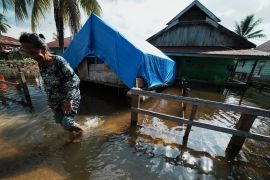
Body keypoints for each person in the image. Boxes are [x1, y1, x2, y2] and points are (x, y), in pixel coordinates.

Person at [19, 32, 84, 137]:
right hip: (56, 99)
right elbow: (47, 83)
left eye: (33, 52)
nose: (31, 56)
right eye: (28, 53)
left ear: (44, 49)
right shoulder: (41, 64)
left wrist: (69, 99)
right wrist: (49, 99)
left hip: (70, 96)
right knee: (59, 121)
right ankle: (74, 133)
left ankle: (82, 134)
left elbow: (75, 79)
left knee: (67, 123)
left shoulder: (58, 61)